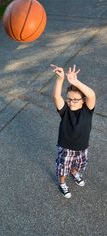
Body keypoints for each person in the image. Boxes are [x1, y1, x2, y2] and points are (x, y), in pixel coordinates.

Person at [50, 64, 96, 198]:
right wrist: (60, 79)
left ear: (83, 101)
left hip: (82, 147)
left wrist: (75, 82)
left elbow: (91, 95)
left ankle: (74, 172)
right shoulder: (65, 111)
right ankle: (62, 183)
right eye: (69, 99)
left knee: (78, 164)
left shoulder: (87, 111)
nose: (71, 102)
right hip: (66, 148)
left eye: (76, 99)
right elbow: (56, 96)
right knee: (62, 167)